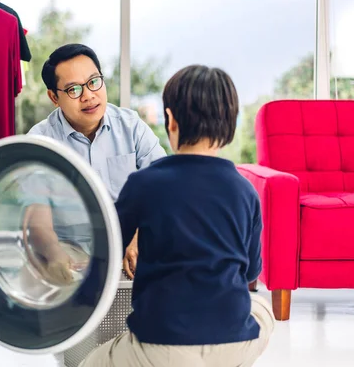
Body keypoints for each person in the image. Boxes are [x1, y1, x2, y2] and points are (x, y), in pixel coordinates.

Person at [79, 65, 275, 367]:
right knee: (261, 309)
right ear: (229, 125)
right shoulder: (245, 189)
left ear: (170, 120)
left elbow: (105, 250)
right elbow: (250, 273)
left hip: (162, 347)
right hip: (233, 342)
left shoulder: (144, 183)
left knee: (89, 362)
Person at [26, 43, 166, 277]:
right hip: (71, 261)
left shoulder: (132, 127)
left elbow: (163, 191)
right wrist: (54, 253)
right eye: (73, 90)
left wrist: (138, 236)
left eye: (93, 82)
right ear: (54, 97)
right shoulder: (40, 141)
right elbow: (37, 219)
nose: (89, 96)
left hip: (133, 254)